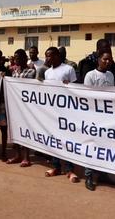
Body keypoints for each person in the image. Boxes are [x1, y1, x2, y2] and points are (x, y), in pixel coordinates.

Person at [83, 50, 115, 191]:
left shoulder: (110, 75)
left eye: (109, 60)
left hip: (107, 118)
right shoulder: (90, 75)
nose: (107, 62)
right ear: (98, 60)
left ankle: (103, 174)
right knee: (92, 146)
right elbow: (85, 96)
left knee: (105, 147)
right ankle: (89, 175)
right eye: (104, 59)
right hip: (93, 117)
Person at [43, 47, 79, 183]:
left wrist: (69, 86)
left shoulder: (68, 69)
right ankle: (56, 167)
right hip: (52, 112)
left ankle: (69, 169)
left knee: (68, 140)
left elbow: (76, 89)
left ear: (57, 56)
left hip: (67, 112)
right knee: (54, 140)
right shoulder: (47, 72)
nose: (47, 59)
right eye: (46, 56)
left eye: (49, 56)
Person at [6, 49, 35, 167]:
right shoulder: (14, 71)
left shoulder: (31, 71)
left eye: (18, 58)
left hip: (26, 107)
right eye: (15, 58)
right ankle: (18, 155)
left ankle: (26, 157)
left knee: (25, 131)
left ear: (24, 58)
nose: (16, 60)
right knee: (15, 131)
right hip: (14, 105)